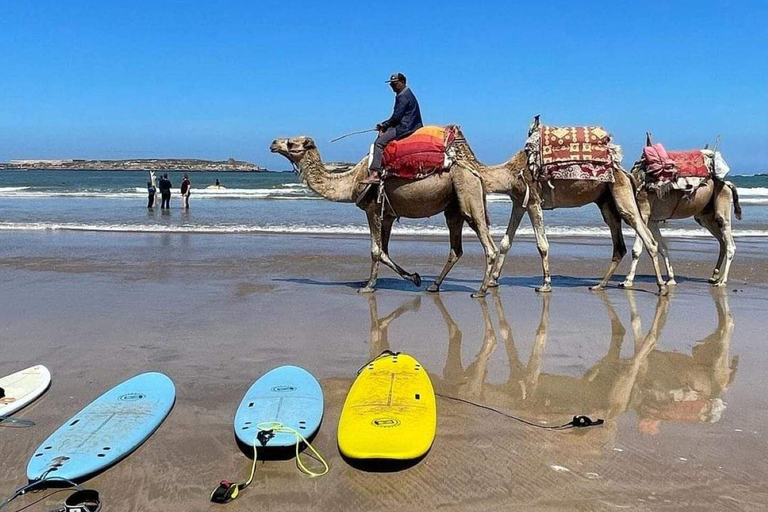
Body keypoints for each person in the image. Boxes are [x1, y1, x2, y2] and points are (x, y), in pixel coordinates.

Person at [362, 72, 424, 184]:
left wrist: (384, 125)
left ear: (403, 82)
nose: (392, 87)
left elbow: (396, 117)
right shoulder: (406, 94)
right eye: (391, 84)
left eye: (395, 84)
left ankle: (375, 173)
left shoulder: (403, 96)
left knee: (379, 143)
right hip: (410, 124)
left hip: (406, 127)